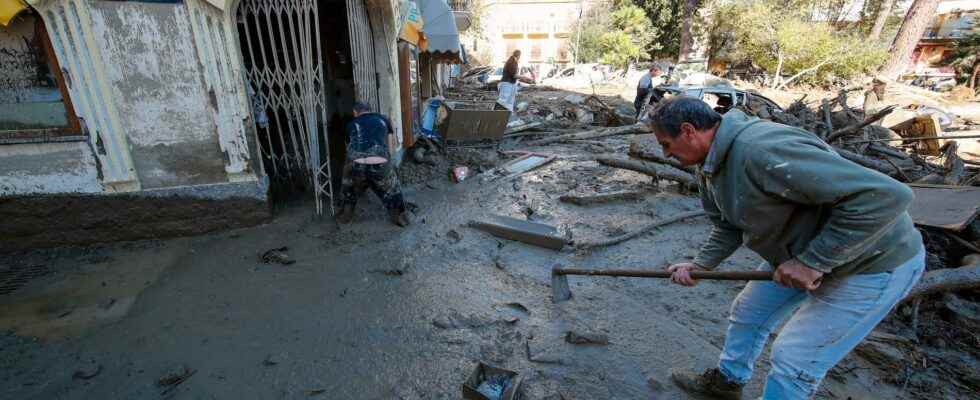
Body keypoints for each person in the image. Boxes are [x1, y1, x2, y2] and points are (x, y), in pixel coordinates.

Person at [647, 97, 924, 399]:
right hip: (803, 252)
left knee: (794, 359)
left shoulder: (762, 150)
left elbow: (887, 196)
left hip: (870, 263)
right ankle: (726, 384)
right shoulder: (709, 164)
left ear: (688, 131)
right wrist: (701, 265)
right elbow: (728, 225)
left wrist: (812, 262)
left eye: (665, 144)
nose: (667, 154)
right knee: (749, 312)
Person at [336, 101, 409, 227]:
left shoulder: (350, 125)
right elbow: (391, 145)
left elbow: (349, 149)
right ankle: (399, 217)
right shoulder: (383, 119)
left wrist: (347, 171)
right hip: (379, 164)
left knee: (349, 187)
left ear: (355, 112)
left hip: (356, 166)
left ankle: (346, 215)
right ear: (370, 110)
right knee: (393, 189)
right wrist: (389, 163)